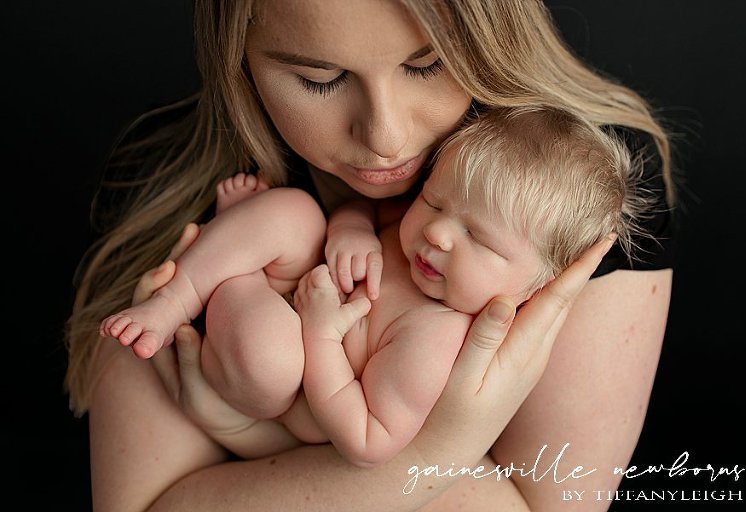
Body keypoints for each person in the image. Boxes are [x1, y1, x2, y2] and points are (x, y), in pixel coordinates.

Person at [65, 0, 674, 510]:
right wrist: (447, 463)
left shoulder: (572, 199)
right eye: (320, 78)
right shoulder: (172, 184)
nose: (386, 138)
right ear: (239, 58)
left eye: (428, 64)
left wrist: (434, 450)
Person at [99, 106, 646, 469]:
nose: (435, 231)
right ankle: (183, 292)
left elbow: (365, 440)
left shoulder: (437, 345)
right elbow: (363, 206)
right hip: (291, 286)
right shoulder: (419, 238)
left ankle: (235, 259)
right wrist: (354, 227)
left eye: (478, 238)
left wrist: (319, 335)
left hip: (286, 390)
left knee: (272, 358)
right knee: (297, 211)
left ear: (536, 285)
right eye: (433, 200)